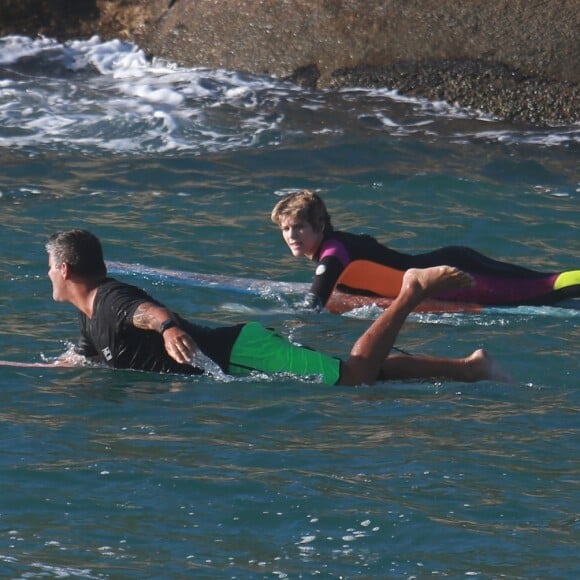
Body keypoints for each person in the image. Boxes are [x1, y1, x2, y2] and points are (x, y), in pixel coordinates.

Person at [46, 229, 508, 386]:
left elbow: (142, 310)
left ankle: (411, 291)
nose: (48, 275)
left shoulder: (109, 299)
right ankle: (470, 367)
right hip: (244, 353)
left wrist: (166, 328)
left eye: (50, 268)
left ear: (65, 269)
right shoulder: (90, 315)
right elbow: (81, 359)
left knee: (353, 378)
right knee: (360, 372)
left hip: (242, 353)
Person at [271, 190, 580, 310]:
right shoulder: (337, 247)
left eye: (299, 227)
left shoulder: (334, 251)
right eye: (286, 228)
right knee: (545, 286)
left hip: (455, 277)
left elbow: (313, 306)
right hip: (451, 265)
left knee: (545, 288)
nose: (292, 235)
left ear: (320, 225)